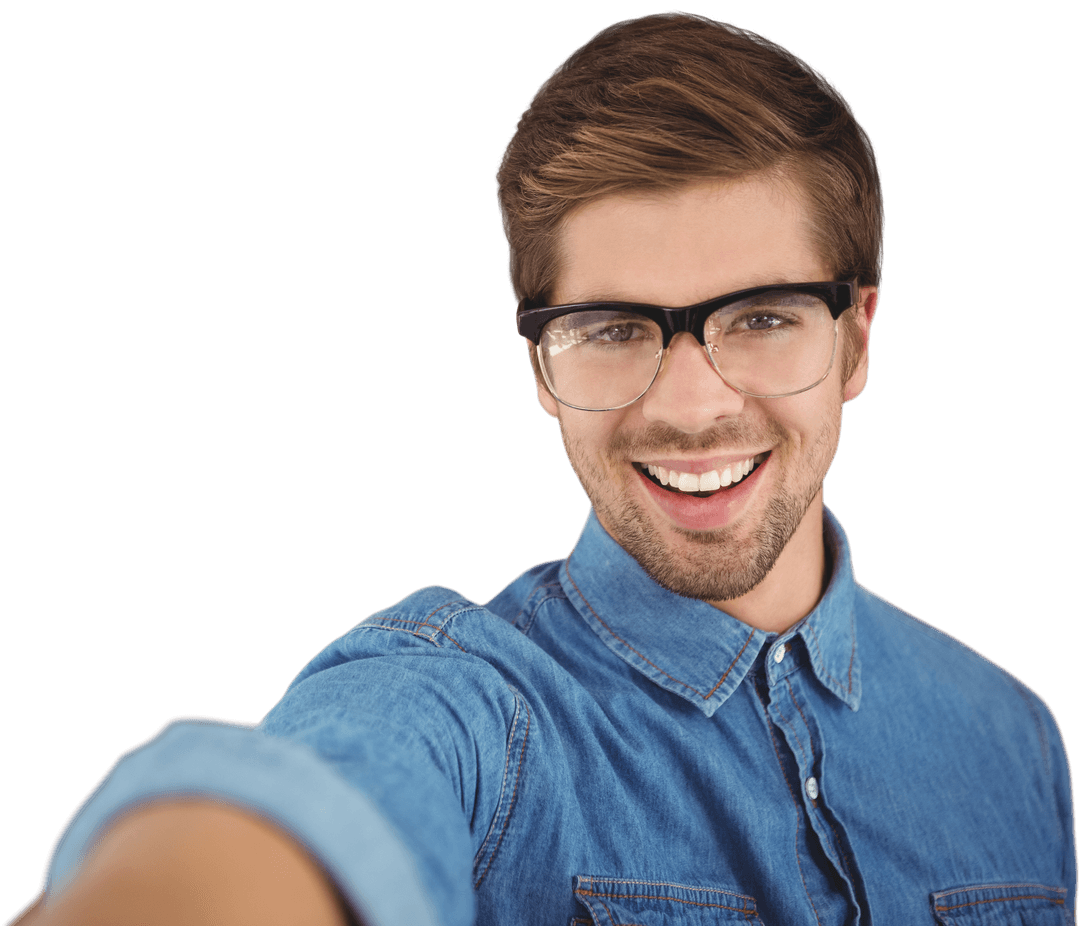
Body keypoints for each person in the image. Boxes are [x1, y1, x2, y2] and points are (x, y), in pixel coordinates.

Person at [11, 12, 1075, 926]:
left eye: (761, 318)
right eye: (614, 328)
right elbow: (302, 807)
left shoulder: (1018, 740)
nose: (693, 404)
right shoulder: (475, 711)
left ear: (855, 343)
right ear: (540, 368)